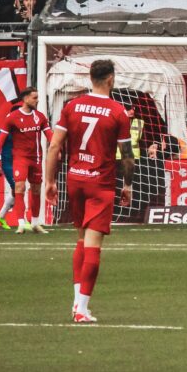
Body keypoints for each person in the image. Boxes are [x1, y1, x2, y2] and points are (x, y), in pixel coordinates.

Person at [43, 59, 133, 323]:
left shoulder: (71, 106)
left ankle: (76, 303)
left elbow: (54, 146)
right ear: (110, 79)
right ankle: (81, 308)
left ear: (90, 78)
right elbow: (127, 156)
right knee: (93, 246)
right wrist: (127, 185)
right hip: (100, 182)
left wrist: (50, 181)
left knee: (81, 240)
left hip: (75, 180)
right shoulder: (117, 111)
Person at [0, 87, 49, 234]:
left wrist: (58, 148)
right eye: (34, 98)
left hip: (36, 159)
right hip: (20, 159)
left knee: (36, 189)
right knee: (19, 188)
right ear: (25, 99)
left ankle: (35, 223)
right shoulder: (12, 118)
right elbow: (0, 139)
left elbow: (50, 134)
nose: (37, 100)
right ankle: (21, 223)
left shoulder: (40, 117)